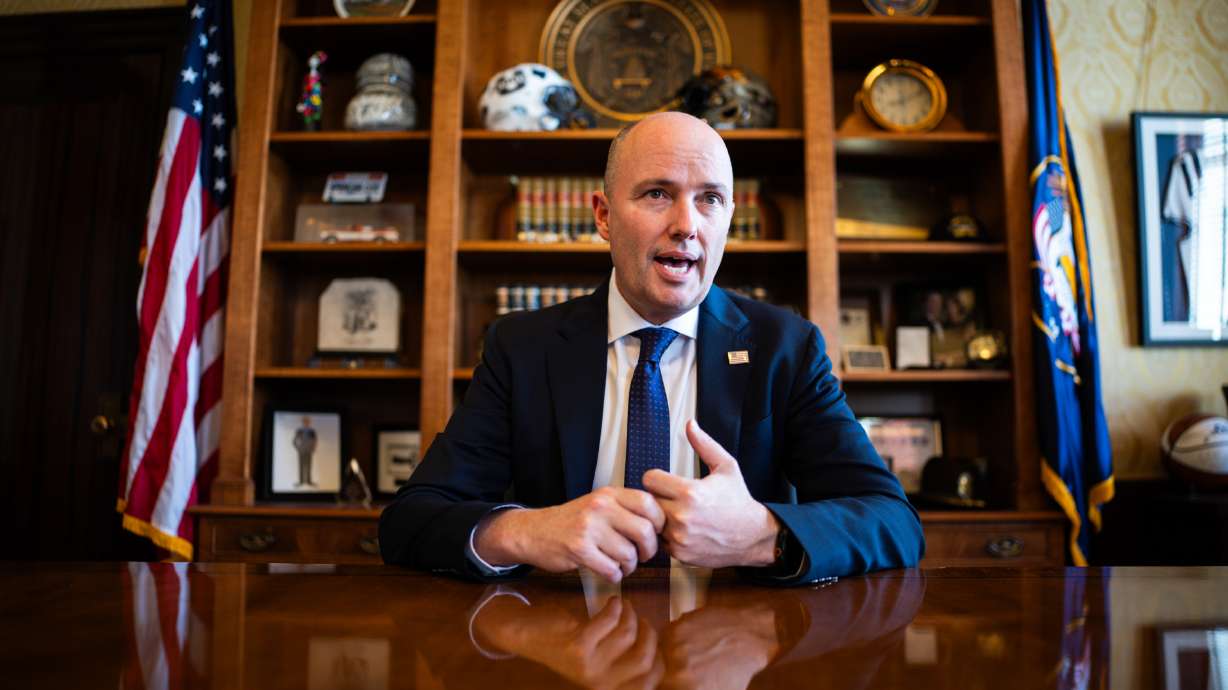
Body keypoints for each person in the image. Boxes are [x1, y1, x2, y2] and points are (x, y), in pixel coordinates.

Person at [379, 112, 923, 584]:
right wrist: (525, 531)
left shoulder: (787, 347)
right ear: (604, 216)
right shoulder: (522, 348)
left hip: (737, 648)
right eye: (657, 193)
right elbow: (411, 520)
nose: (686, 225)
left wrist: (763, 536)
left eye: (710, 199)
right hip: (564, 647)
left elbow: (893, 522)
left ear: (729, 220)